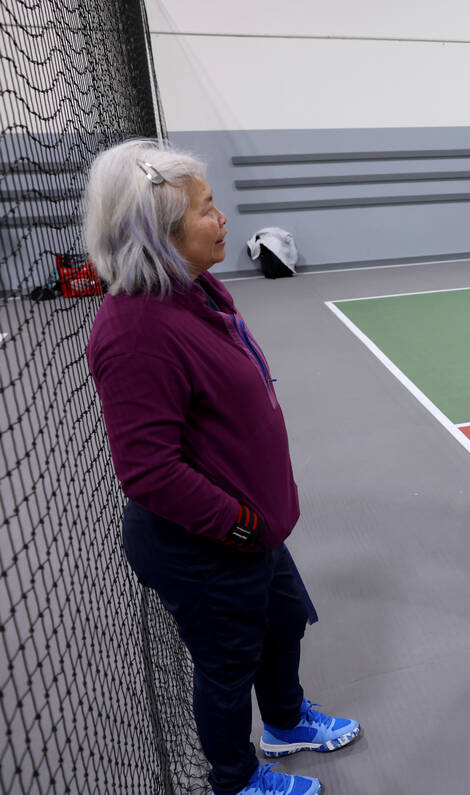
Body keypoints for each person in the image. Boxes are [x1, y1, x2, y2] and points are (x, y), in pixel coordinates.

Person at [84, 140, 362, 795]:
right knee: (227, 665)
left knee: (285, 620)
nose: (223, 219)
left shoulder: (197, 289)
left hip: (253, 529)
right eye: (207, 209)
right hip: (204, 543)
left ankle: (288, 722)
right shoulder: (133, 331)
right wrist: (240, 525)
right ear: (161, 231)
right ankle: (235, 781)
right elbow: (148, 471)